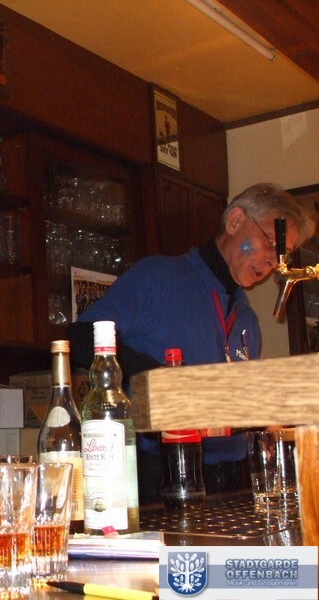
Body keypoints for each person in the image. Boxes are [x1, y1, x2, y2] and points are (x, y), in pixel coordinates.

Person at [67, 182, 315, 502]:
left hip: (233, 478)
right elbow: (81, 336)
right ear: (235, 220)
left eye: (283, 254)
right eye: (270, 242)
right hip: (163, 476)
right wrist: (159, 377)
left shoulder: (247, 319)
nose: (272, 261)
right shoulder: (158, 277)